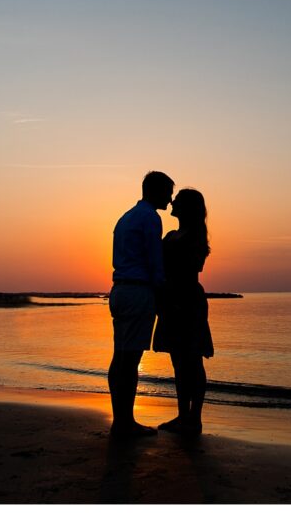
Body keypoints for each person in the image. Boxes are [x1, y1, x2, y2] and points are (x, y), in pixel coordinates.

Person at [108, 170, 174, 438]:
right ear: (156, 191)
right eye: (168, 193)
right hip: (137, 292)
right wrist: (162, 297)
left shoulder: (126, 218)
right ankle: (125, 422)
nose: (170, 200)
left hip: (119, 291)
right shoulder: (150, 218)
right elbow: (154, 262)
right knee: (131, 359)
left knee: (120, 357)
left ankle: (120, 420)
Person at [151, 188, 214, 435]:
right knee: (178, 361)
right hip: (171, 300)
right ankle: (182, 416)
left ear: (187, 207)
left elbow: (189, 270)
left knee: (193, 360)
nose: (172, 201)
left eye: (177, 200)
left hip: (187, 301)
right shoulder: (171, 235)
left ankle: (194, 419)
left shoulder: (195, 237)